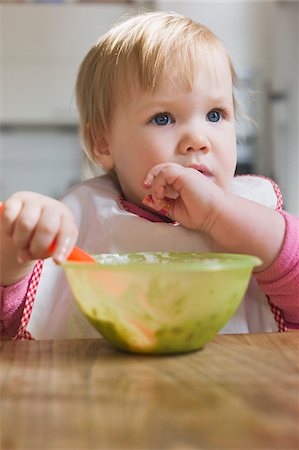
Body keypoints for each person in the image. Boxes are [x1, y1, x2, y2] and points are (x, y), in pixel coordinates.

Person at [1, 11, 298, 340]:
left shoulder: (251, 212)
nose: (199, 139)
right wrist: (14, 248)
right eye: (163, 118)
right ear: (103, 143)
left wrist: (218, 215)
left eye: (216, 114)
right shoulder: (86, 219)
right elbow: (10, 324)